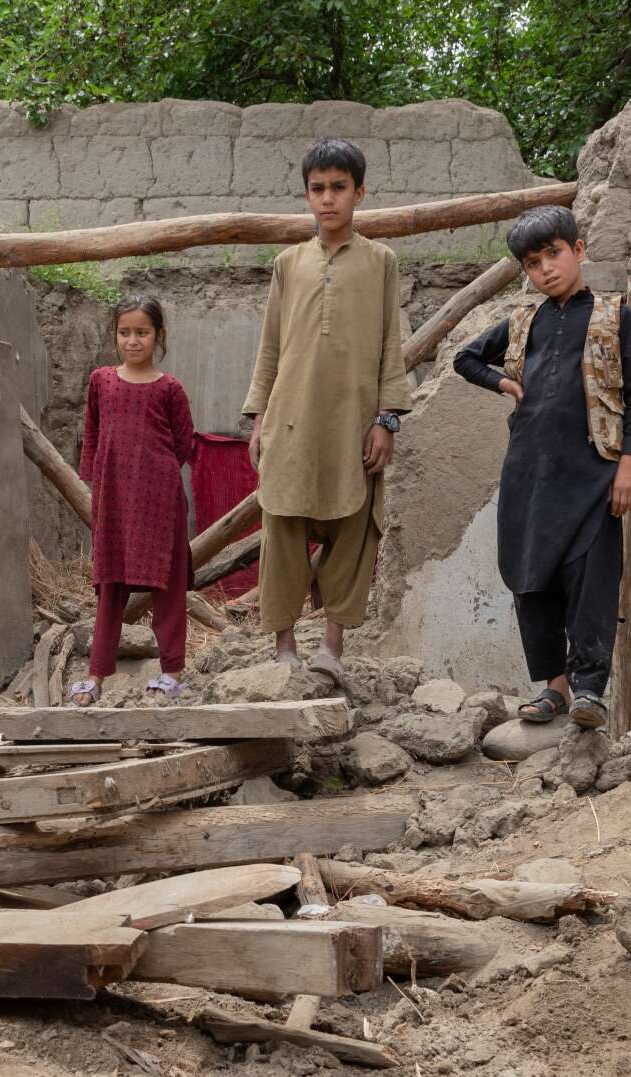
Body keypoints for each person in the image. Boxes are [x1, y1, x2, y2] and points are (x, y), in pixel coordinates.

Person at [453, 205, 631, 730]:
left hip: (592, 476)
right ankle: (554, 689)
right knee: (529, 577)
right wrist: (505, 383)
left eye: (554, 254)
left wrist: (629, 464)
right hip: (528, 477)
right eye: (533, 262)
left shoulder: (616, 317)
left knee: (591, 579)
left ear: (579, 251)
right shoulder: (523, 321)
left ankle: (589, 690)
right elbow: (466, 358)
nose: (546, 268)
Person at [242, 137, 412, 683]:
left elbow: (392, 345)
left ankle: (332, 647)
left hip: (353, 420)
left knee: (354, 529)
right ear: (307, 196)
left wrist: (386, 419)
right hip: (290, 417)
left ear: (359, 193)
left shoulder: (381, 261)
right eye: (318, 189)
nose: (328, 199)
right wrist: (256, 419)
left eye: (339, 188)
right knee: (283, 527)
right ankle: (285, 643)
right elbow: (270, 346)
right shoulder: (288, 263)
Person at [70, 295, 196, 706]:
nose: (133, 341)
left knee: (169, 583)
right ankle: (96, 674)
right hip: (113, 499)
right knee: (110, 584)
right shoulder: (101, 380)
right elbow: (92, 432)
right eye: (125, 332)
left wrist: (150, 475)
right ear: (115, 335)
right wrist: (101, 482)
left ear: (159, 336)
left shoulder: (170, 388)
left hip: (160, 499)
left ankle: (172, 671)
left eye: (142, 332)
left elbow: (183, 443)